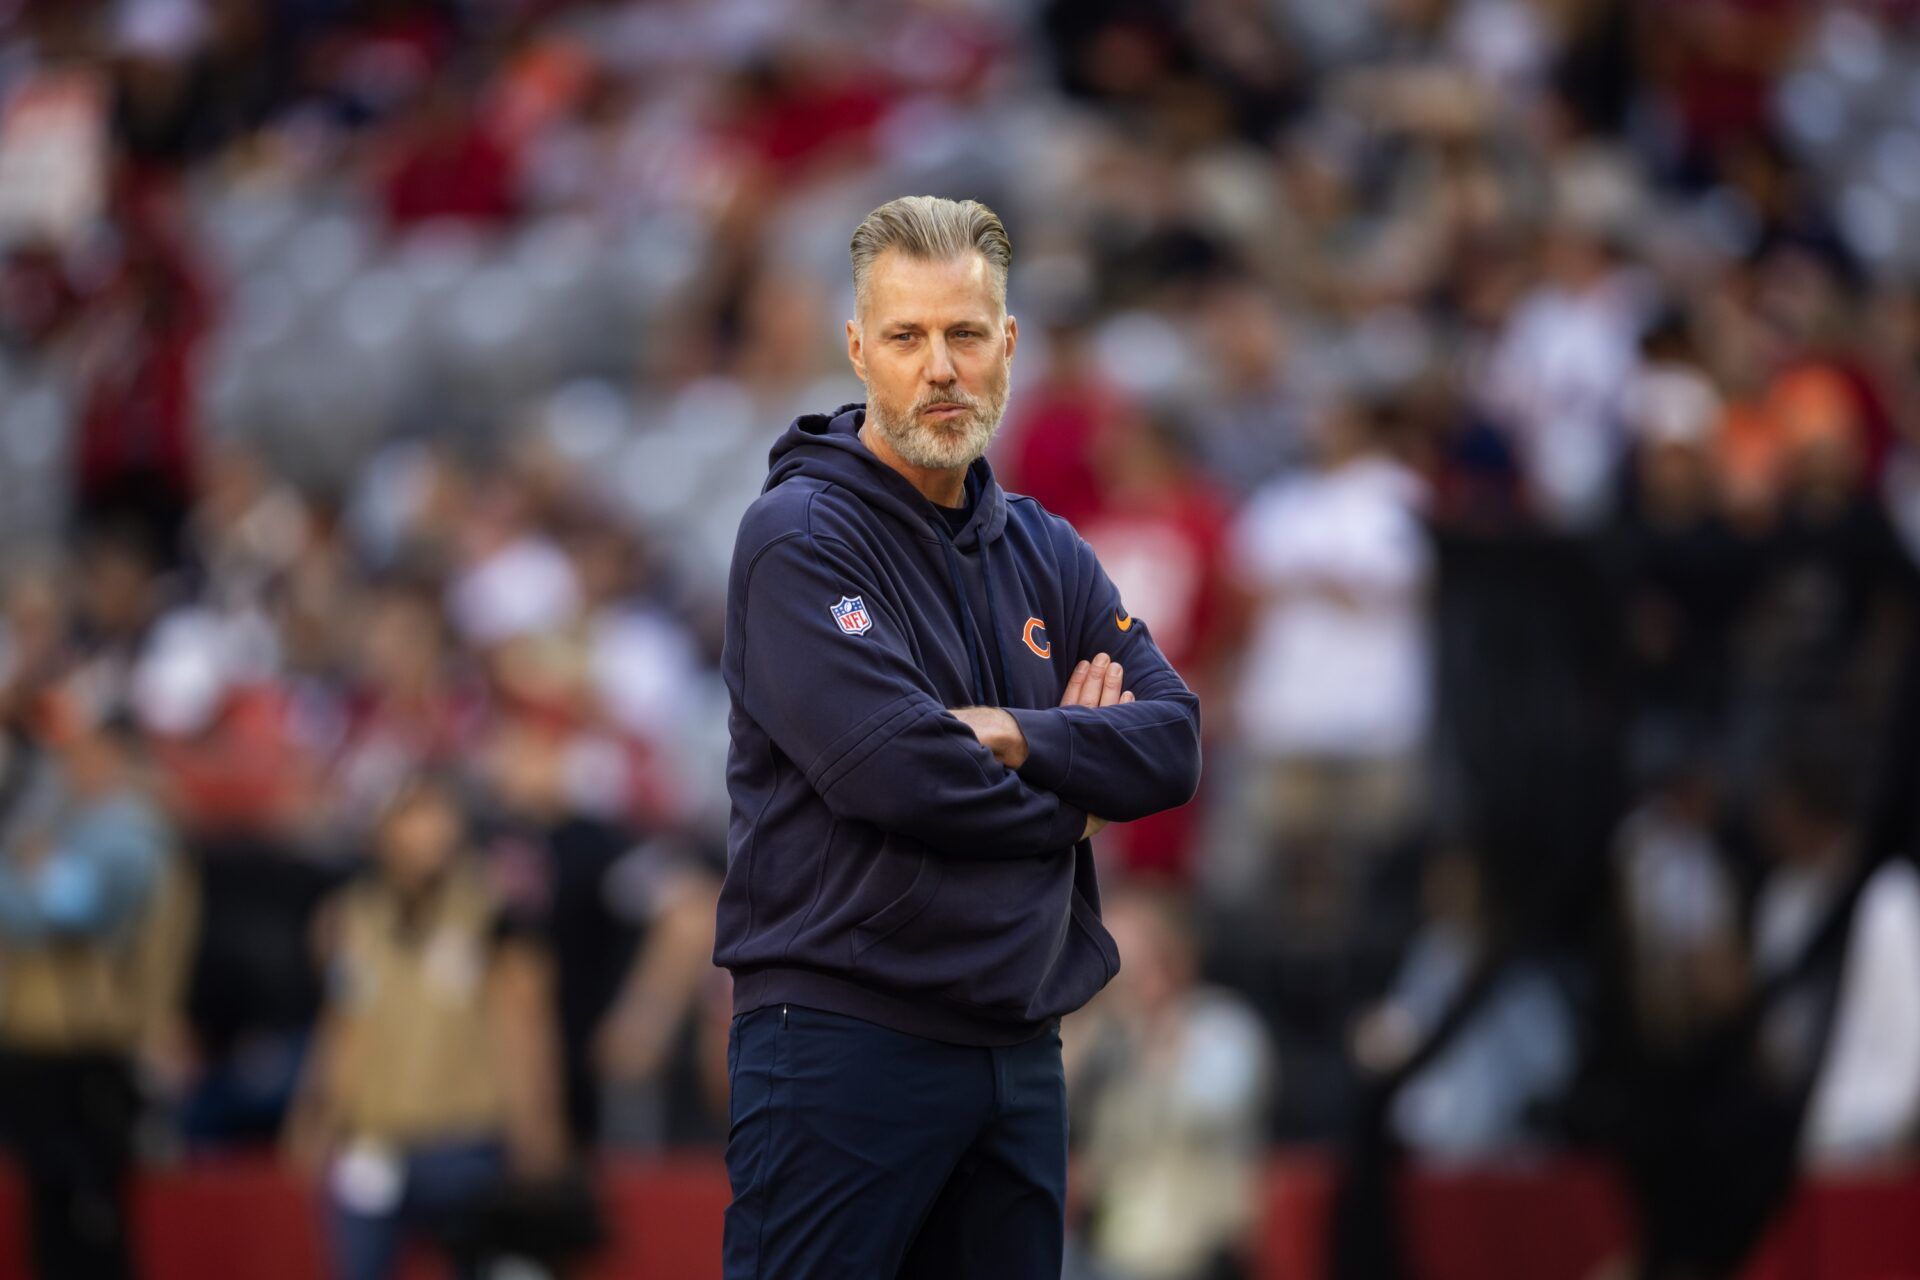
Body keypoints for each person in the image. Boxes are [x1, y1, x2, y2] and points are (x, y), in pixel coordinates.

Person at [714, 195, 1203, 1279]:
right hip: (844, 1042)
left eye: (965, 333)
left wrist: (1021, 737)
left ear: (1008, 346)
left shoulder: (1046, 546)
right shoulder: (796, 539)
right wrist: (1079, 782)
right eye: (907, 336)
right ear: (857, 349)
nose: (940, 367)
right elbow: (901, 773)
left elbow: (1173, 741)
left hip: (1019, 1048)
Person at [284, 773, 570, 1280]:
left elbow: (523, 1026)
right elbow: (342, 1026)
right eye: (410, 814)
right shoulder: (347, 917)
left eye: (437, 813)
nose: (427, 830)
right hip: (371, 1143)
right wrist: (313, 1115)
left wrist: (539, 1132)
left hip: (465, 1144)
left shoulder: (493, 909)